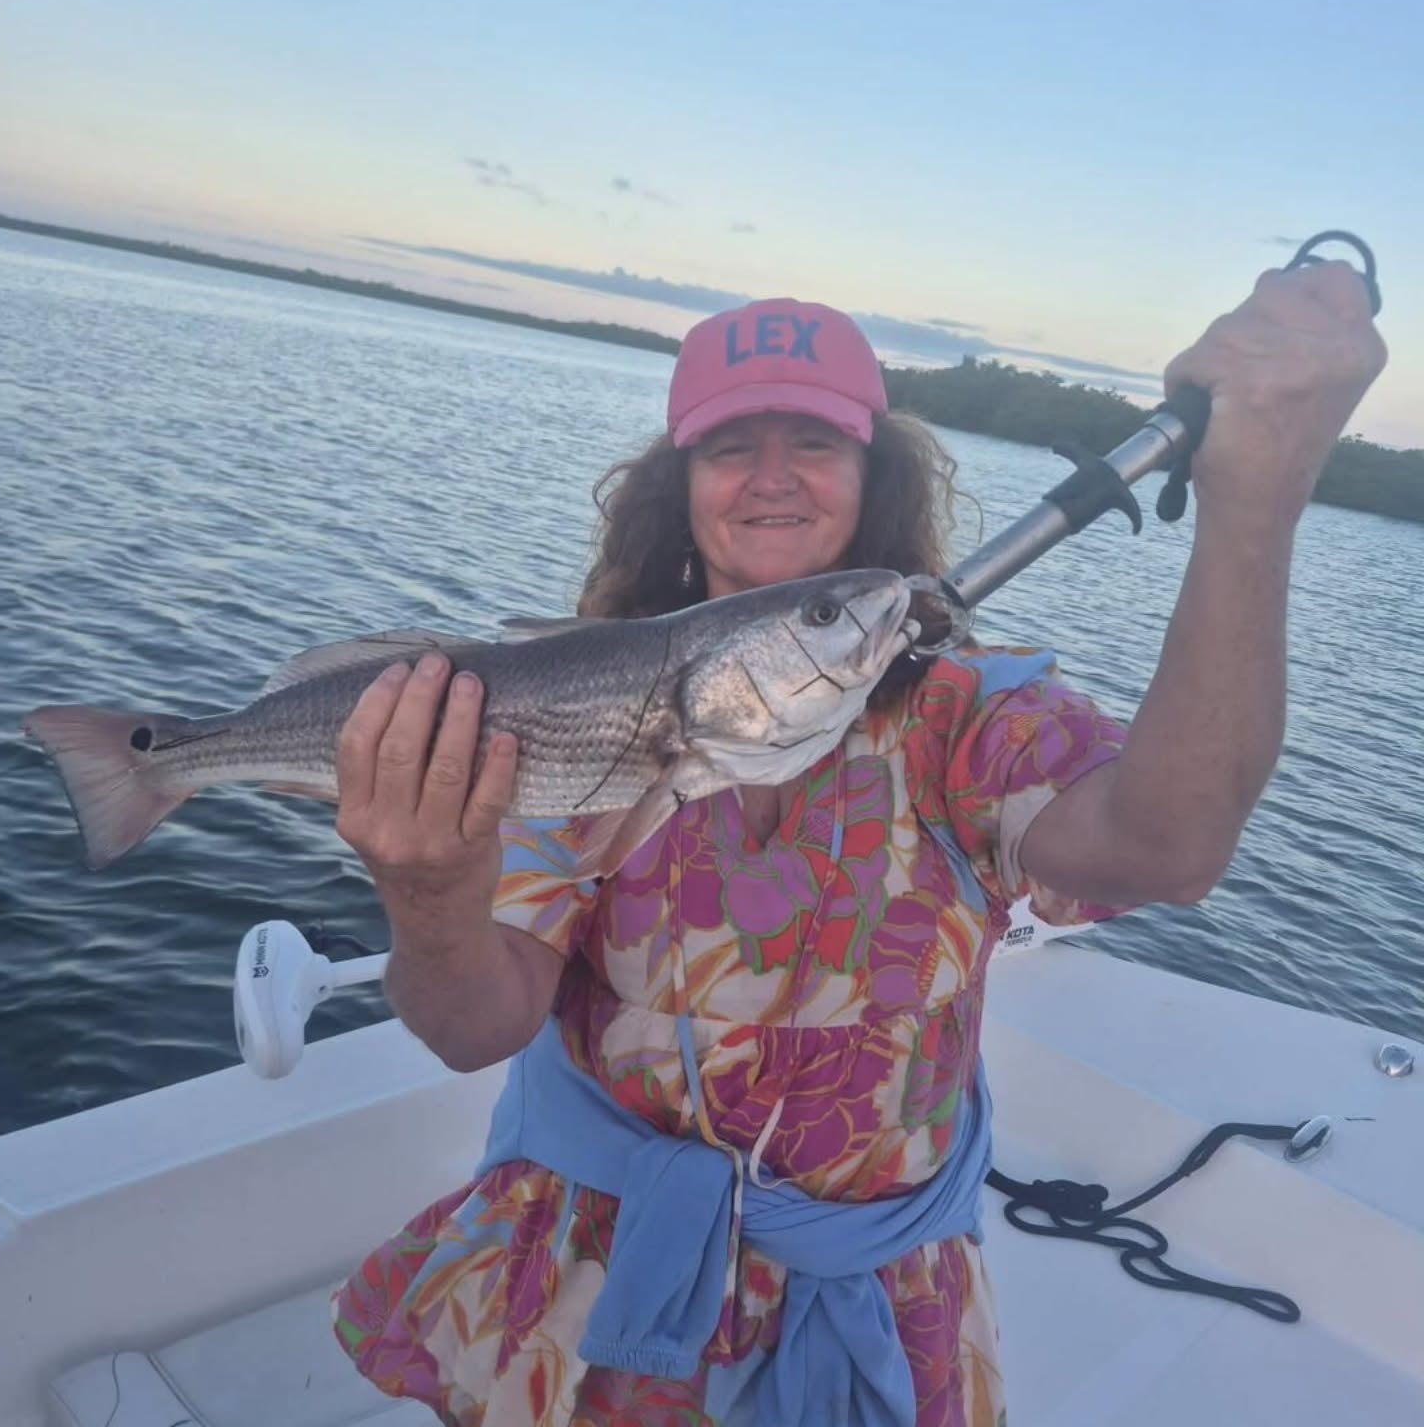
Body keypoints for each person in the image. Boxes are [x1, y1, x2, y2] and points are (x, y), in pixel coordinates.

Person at [329, 272, 1386, 1426]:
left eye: (816, 441)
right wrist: (427, 890)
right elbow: (470, 1027)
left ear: (872, 474)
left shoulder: (974, 718)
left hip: (876, 1288)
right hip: (591, 1270)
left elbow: (1167, 852)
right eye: (732, 444)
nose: (774, 474)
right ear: (679, 488)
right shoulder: (584, 712)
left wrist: (1255, 502)